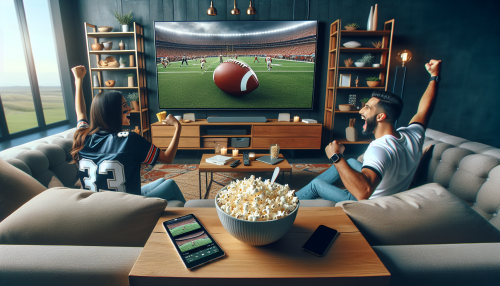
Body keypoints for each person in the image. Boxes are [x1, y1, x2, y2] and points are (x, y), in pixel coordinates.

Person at [296, 59, 442, 203]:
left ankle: (288, 202)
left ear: (380, 116)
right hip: (391, 189)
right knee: (352, 161)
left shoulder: (380, 148)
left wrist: (336, 156)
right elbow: (424, 109)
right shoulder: (413, 134)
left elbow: (362, 193)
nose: (361, 110)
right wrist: (434, 76)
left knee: (316, 185)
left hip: (371, 203)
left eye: (367, 107)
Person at [69, 65, 186, 203]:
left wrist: (78, 80)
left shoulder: (82, 136)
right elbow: (167, 158)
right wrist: (177, 126)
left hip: (97, 206)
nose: (130, 108)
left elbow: (81, 114)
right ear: (112, 113)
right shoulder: (128, 140)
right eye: (124, 106)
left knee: (161, 180)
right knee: (170, 185)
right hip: (127, 209)